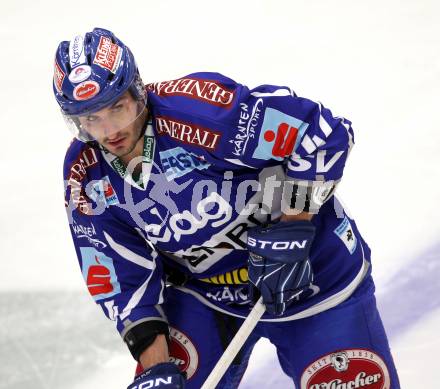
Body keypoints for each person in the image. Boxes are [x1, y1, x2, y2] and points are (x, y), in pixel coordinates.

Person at [55, 27, 400, 388]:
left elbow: (322, 135)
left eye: (117, 108)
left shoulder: (203, 113)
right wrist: (157, 370)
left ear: (137, 91)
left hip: (318, 278)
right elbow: (121, 279)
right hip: (206, 295)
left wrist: (294, 225)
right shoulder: (87, 177)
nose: (111, 131)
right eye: (91, 118)